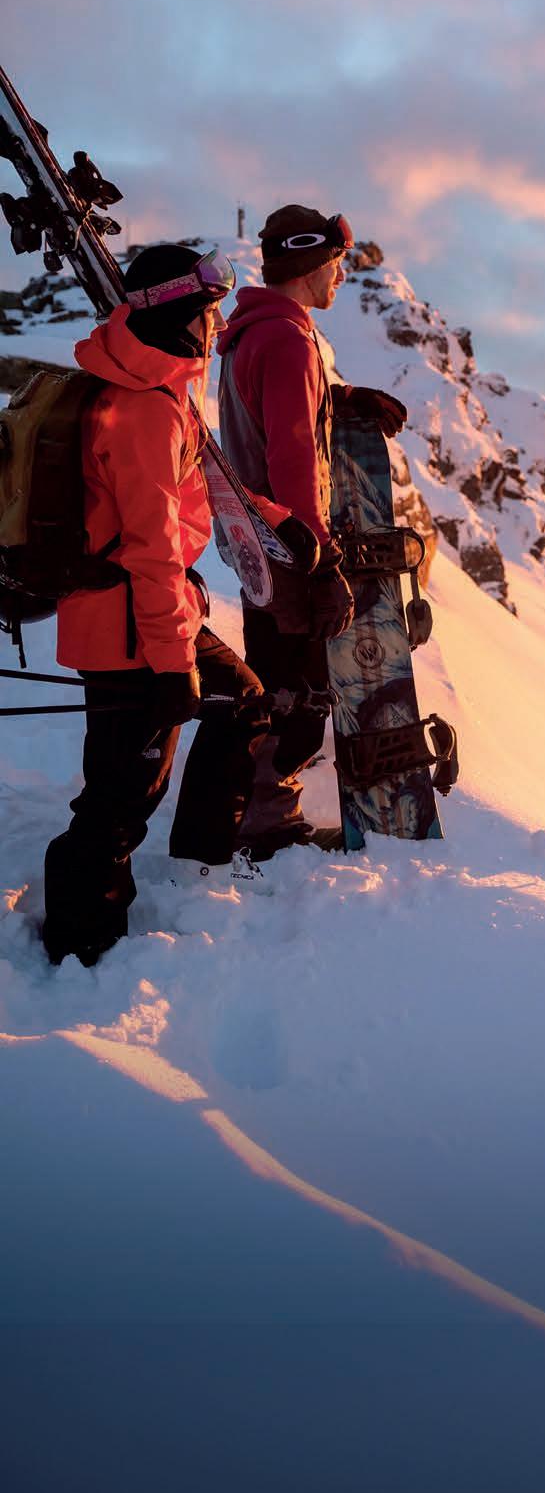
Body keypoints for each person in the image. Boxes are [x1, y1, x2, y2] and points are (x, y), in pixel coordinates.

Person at [42, 243, 285, 968]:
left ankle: (198, 865)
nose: (218, 325)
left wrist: (282, 523)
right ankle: (81, 943)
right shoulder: (142, 409)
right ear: (181, 313)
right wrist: (174, 665)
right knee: (121, 794)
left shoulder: (160, 387)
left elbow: (206, 480)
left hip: (146, 615)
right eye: (210, 311)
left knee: (241, 702)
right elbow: (149, 548)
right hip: (129, 627)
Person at [217, 206, 406, 855]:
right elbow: (294, 458)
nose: (341, 276)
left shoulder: (254, 332)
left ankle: (252, 815)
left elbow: (278, 413)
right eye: (336, 264)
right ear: (309, 265)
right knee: (298, 695)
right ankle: (265, 826)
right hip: (288, 546)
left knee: (275, 678)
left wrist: (338, 398)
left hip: (257, 543)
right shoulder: (289, 341)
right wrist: (320, 562)